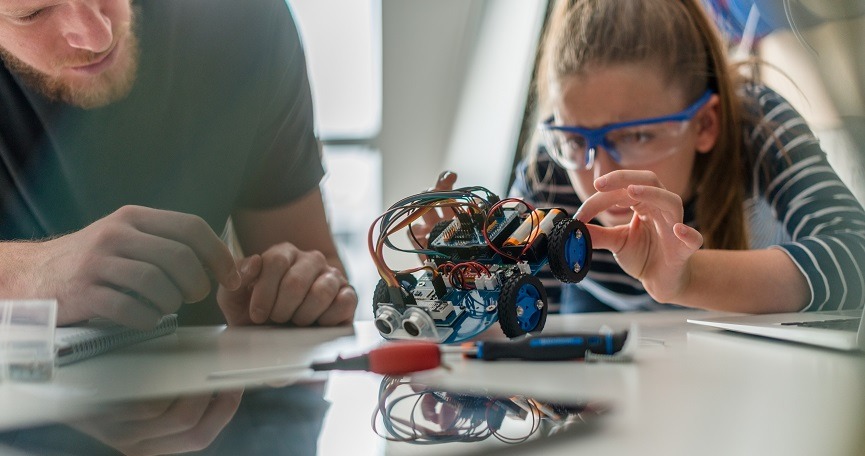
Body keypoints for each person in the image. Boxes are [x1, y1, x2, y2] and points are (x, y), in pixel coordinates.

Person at [420, 0, 865, 314]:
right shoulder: (553, 168)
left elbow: (855, 255)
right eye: (576, 139)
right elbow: (527, 322)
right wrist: (461, 288)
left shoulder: (757, 126)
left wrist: (688, 278)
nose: (599, 174)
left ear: (706, 125)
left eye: (635, 135)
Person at [0, 0, 357, 328]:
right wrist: (36, 276)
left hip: (208, 383)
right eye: (33, 13)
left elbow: (314, 263)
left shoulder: (243, 19)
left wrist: (291, 295)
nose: (98, 36)